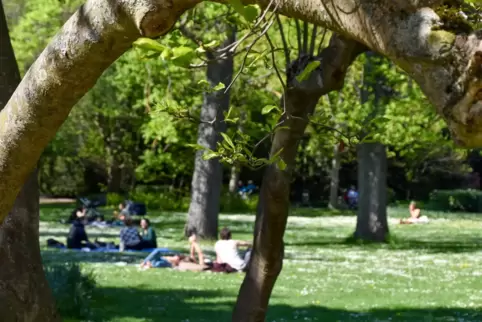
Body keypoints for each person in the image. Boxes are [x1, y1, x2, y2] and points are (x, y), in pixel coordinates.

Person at [140, 230, 207, 271]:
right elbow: (192, 254)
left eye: (177, 256)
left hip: (164, 262)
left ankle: (145, 263)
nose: (175, 256)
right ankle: (147, 263)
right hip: (161, 260)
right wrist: (193, 243)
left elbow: (200, 254)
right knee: (157, 258)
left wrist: (194, 242)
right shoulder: (189, 259)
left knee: (157, 254)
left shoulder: (179, 263)